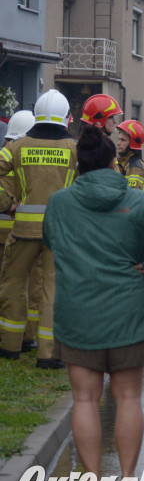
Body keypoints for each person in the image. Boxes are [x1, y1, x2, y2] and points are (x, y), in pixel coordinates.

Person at [42, 124, 144, 481]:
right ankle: (127, 480)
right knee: (127, 399)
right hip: (130, 315)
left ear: (78, 166)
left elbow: (50, 241)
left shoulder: (59, 203)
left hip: (78, 314)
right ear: (115, 164)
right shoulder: (143, 202)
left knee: (84, 400)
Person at [0, 90, 77, 367]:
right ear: (67, 118)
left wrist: (6, 202)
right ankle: (48, 354)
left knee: (13, 284)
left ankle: (9, 346)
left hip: (22, 232)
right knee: (52, 290)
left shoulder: (17, 146)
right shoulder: (75, 148)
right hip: (60, 233)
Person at [0, 111, 46, 352]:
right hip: (22, 232)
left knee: (9, 286)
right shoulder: (22, 154)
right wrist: (9, 205)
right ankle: (27, 336)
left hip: (14, 234)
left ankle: (8, 338)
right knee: (31, 285)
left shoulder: (7, 154)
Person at [115, 120, 144, 190]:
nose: (118, 143)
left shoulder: (135, 168)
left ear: (133, 144)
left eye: (123, 140)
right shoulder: (122, 163)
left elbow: (132, 197)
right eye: (118, 139)